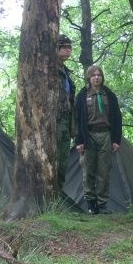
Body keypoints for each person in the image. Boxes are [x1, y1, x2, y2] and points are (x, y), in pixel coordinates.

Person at [74, 65, 122, 215]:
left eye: (99, 75)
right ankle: (91, 205)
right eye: (93, 75)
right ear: (89, 77)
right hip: (88, 136)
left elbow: (117, 118)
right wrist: (79, 141)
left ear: (102, 77)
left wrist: (116, 140)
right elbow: (76, 119)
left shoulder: (109, 94)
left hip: (106, 135)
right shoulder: (82, 95)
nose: (96, 77)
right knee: (88, 170)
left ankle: (102, 205)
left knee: (104, 171)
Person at [56, 34, 76, 189]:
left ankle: (57, 195)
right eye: (65, 47)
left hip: (66, 120)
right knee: (53, 158)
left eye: (70, 47)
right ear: (57, 48)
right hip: (54, 121)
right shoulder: (50, 69)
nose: (68, 50)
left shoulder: (66, 72)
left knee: (63, 160)